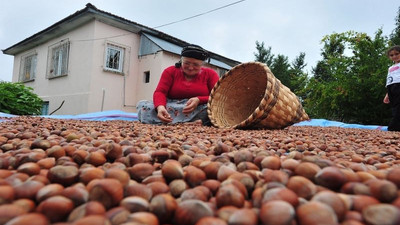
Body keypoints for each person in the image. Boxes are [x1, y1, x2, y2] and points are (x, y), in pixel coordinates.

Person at [137, 44, 220, 125]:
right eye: (187, 63)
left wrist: (199, 100)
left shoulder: (210, 74)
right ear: (181, 61)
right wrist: (160, 107)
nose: (190, 68)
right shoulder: (170, 71)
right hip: (172, 106)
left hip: (198, 108)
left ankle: (185, 122)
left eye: (196, 64)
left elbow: (217, 96)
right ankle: (191, 123)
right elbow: (160, 92)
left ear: (202, 64)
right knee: (144, 105)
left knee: (214, 109)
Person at [383, 45, 400, 131]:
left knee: (398, 106)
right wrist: (387, 94)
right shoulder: (390, 68)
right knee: (394, 107)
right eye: (392, 55)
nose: (394, 56)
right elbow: (389, 80)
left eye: (397, 54)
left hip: (399, 86)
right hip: (391, 87)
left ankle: (393, 127)